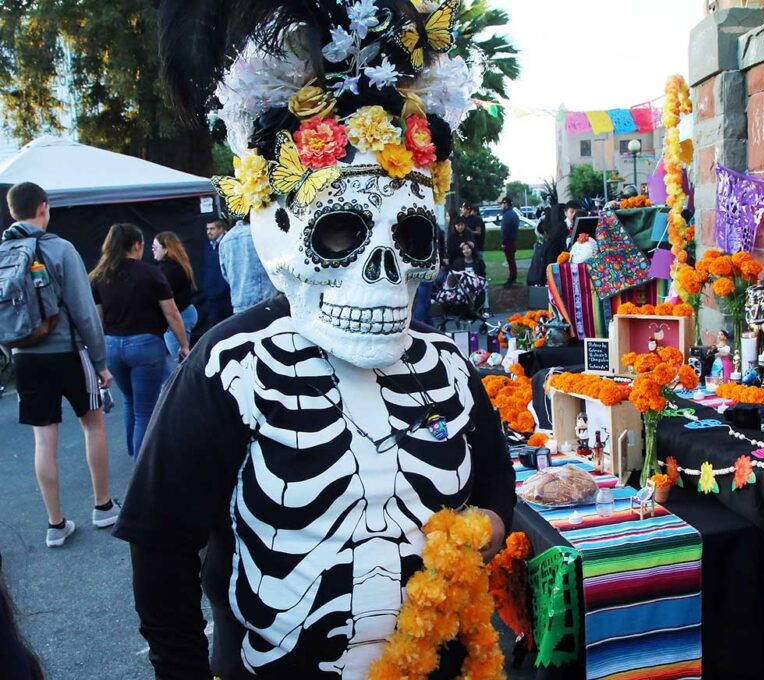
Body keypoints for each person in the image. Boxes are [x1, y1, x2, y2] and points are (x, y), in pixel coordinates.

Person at [117, 3, 516, 675]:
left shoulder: (446, 365)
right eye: (340, 231)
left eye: (412, 237)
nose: (386, 270)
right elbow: (161, 546)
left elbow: (496, 487)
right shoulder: (229, 366)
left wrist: (473, 534)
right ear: (275, 230)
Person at [4, 182, 118, 548]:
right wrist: (100, 362)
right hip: (69, 351)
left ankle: (55, 524)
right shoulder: (60, 249)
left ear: (11, 212)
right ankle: (102, 506)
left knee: (43, 439)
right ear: (44, 208)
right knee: (93, 426)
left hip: (25, 357)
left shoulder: (3, 252)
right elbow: (85, 311)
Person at [90, 223, 190, 460]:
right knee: (145, 408)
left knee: (129, 401)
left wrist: (98, 355)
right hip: (146, 344)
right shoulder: (152, 273)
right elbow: (172, 312)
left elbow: (97, 319)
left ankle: (134, 452)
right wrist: (184, 344)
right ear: (136, 245)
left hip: (113, 345)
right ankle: (142, 464)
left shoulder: (98, 277)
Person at [152, 231, 199, 371]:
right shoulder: (175, 266)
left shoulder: (170, 270)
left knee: (182, 361)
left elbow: (166, 301)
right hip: (184, 313)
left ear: (166, 249)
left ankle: (190, 389)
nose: (152, 250)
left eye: (155, 247)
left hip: (179, 316)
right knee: (182, 359)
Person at [218, 219, 277, 313]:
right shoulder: (261, 233)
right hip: (267, 302)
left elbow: (225, 273)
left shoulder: (225, 240)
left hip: (240, 306)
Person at [199, 219, 232, 331]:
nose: (209, 231)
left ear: (221, 229)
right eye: (207, 229)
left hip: (227, 296)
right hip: (212, 297)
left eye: (212, 228)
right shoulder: (208, 247)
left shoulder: (228, 244)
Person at [499, 196, 520, 287]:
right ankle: (513, 277)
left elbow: (505, 229)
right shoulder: (513, 214)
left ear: (506, 204)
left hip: (508, 241)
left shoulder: (507, 215)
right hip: (512, 240)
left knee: (510, 260)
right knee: (511, 260)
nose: (501, 206)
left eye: (502, 204)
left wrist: (503, 242)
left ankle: (511, 278)